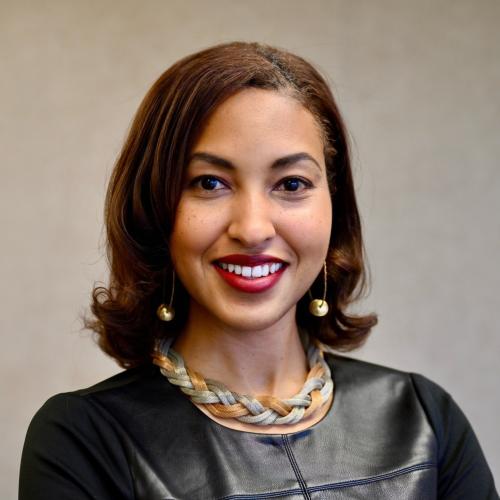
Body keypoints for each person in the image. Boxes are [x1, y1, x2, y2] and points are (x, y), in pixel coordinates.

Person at [19, 42, 497, 499]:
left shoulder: (424, 420)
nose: (252, 229)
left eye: (291, 183)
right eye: (209, 182)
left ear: (335, 206)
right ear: (154, 209)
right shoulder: (86, 441)